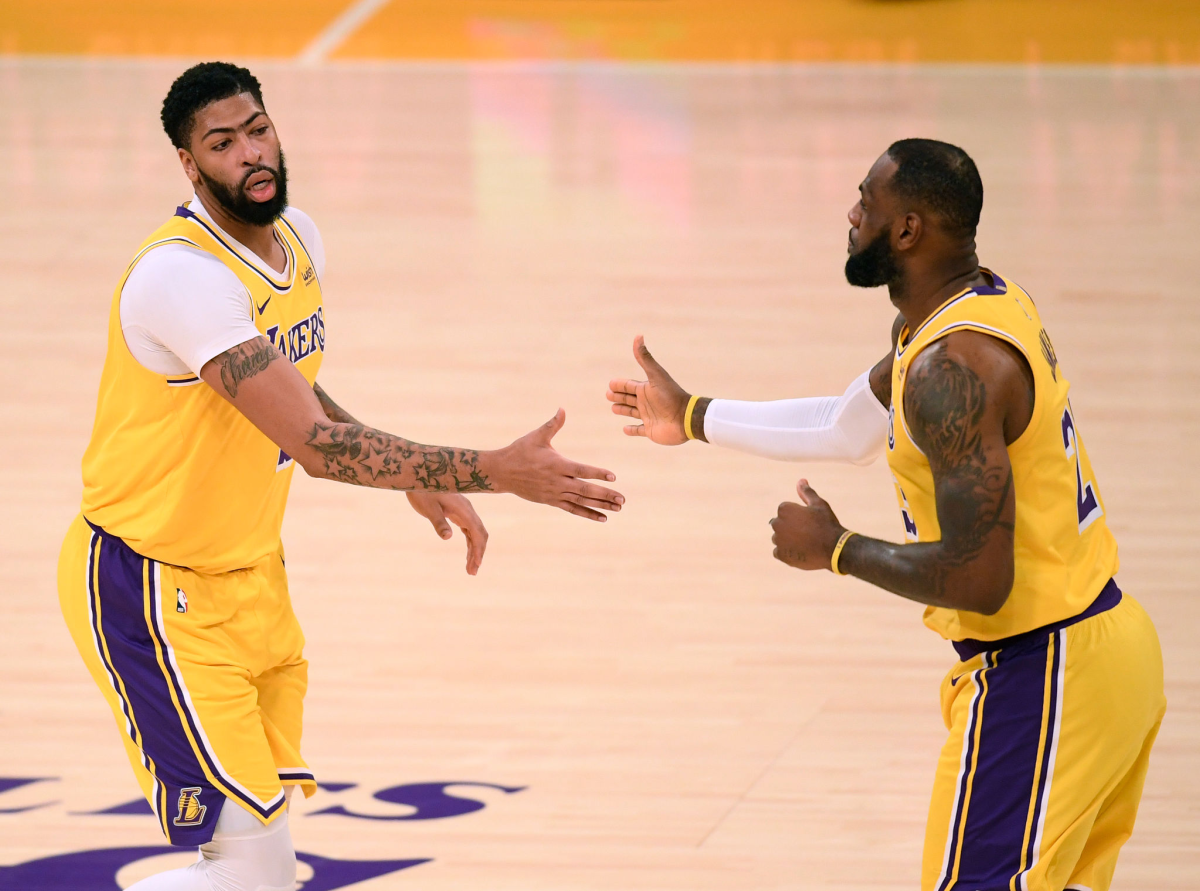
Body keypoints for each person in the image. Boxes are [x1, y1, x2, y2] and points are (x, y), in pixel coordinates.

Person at [58, 61, 624, 891]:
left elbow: (286, 386)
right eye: (222, 142)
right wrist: (495, 469)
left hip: (248, 576)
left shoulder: (298, 240)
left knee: (264, 866)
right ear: (189, 164)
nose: (250, 152)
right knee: (249, 873)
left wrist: (405, 472)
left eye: (258, 128)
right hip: (151, 588)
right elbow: (316, 446)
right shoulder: (181, 278)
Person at [607, 139, 1164, 891]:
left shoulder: (951, 369)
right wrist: (694, 415)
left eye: (865, 201)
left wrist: (837, 548)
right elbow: (845, 425)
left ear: (907, 230)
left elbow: (981, 578)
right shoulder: (972, 309)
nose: (851, 212)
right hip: (1098, 653)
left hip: (1044, 666)